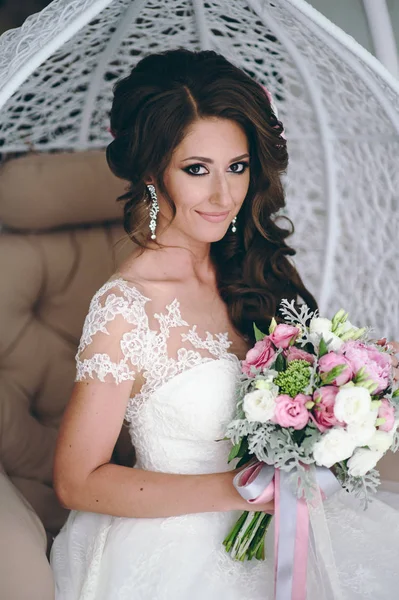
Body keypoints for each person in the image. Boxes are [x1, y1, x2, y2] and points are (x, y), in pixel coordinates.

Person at [50, 49, 399, 599]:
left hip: (311, 516)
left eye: (237, 167)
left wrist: (360, 411)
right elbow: (77, 480)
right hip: (182, 545)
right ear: (151, 171)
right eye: (196, 170)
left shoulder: (257, 270)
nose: (223, 195)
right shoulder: (125, 308)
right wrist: (245, 490)